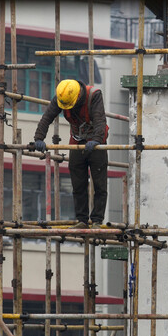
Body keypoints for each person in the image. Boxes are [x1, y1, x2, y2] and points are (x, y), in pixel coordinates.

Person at [33, 79, 109, 229]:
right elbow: (47, 117)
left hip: (96, 141)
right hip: (77, 141)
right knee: (78, 184)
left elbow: (100, 120)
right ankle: (82, 220)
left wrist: (97, 140)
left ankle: (97, 221)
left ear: (78, 95)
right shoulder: (62, 97)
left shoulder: (94, 95)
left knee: (100, 184)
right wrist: (38, 138)